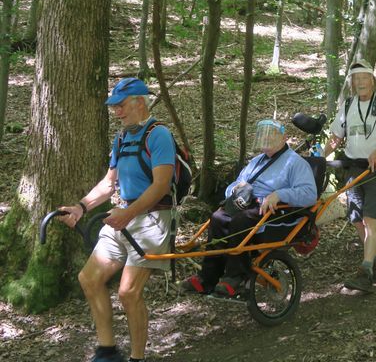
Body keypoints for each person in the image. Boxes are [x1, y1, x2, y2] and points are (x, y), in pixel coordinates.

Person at [59, 77, 176, 362]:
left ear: (139, 102)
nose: (117, 112)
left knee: (128, 292)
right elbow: (109, 183)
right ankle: (107, 351)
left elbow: (161, 185)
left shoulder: (159, 135)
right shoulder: (122, 137)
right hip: (121, 216)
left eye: (121, 105)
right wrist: (81, 207)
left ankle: (137, 357)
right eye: (114, 107)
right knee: (89, 278)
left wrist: (127, 214)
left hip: (152, 219)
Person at [181, 119, 317, 297]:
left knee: (241, 221)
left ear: (284, 137)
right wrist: (234, 190)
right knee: (218, 218)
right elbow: (235, 184)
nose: (267, 139)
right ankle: (208, 278)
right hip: (247, 204)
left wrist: (280, 194)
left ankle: (236, 277)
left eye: (272, 135)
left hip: (277, 210)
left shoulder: (295, 162)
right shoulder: (256, 161)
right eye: (264, 135)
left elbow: (309, 193)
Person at [323, 60, 376, 293]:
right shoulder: (347, 106)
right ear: (352, 84)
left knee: (370, 218)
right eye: (356, 79)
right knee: (356, 218)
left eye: (364, 78)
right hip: (353, 169)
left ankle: (366, 269)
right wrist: (317, 156)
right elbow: (336, 137)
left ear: (372, 80)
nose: (360, 83)